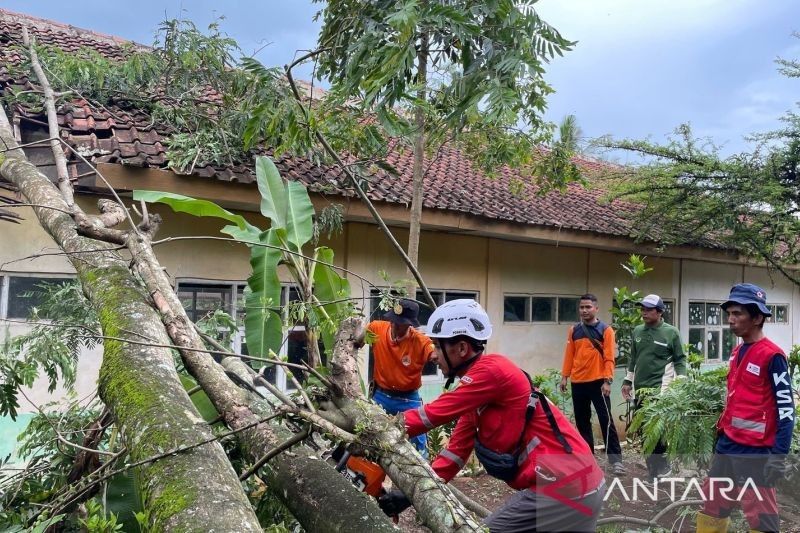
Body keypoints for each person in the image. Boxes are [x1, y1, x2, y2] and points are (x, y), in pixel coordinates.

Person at [379, 299, 605, 532]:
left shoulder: (491, 372)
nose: (434, 356)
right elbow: (454, 454)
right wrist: (407, 494)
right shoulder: (477, 393)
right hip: (584, 483)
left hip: (564, 486)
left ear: (462, 348)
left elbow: (432, 414)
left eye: (437, 346)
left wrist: (376, 429)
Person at [696, 284, 794, 533]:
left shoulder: (773, 357)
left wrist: (778, 455)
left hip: (755, 452)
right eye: (729, 313)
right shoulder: (738, 351)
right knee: (713, 505)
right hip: (728, 445)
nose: (730, 320)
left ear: (758, 317)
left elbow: (786, 410)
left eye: (738, 313)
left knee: (760, 516)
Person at [621, 293, 686, 478]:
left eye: (648, 309)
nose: (644, 312)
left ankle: (662, 466)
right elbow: (633, 358)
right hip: (640, 389)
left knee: (657, 430)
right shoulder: (637, 331)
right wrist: (627, 381)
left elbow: (680, 360)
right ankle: (652, 469)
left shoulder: (671, 332)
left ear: (659, 312)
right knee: (643, 430)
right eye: (642, 309)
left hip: (661, 390)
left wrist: (680, 383)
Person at [560, 293, 625, 476]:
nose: (584, 310)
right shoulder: (574, 330)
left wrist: (607, 380)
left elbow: (609, 357)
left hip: (598, 383)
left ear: (596, 308)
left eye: (588, 307)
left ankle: (616, 461)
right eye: (581, 307)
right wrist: (565, 376)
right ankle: (588, 460)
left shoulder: (606, 330)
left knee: (606, 421)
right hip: (578, 382)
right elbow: (569, 355)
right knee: (582, 422)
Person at [364, 298, 435, 457]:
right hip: (380, 396)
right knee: (371, 440)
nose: (395, 325)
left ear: (410, 324)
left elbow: (435, 355)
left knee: (418, 447)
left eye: (400, 322)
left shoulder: (420, 342)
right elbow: (356, 338)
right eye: (393, 320)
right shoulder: (376, 328)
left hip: (408, 400)